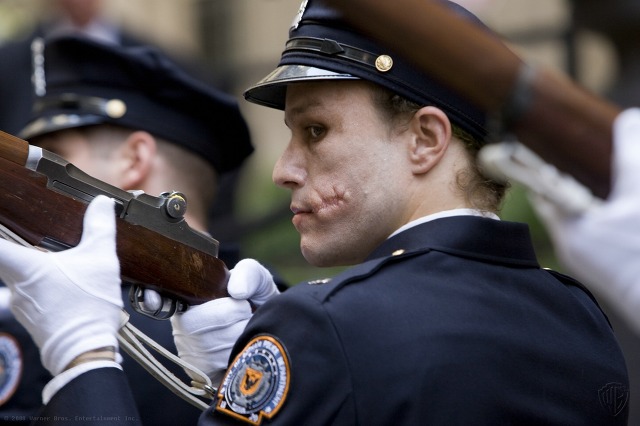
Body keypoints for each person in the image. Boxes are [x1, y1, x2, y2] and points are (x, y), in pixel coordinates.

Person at [0, 1, 631, 425]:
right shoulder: (580, 315)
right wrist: (229, 379)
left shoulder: (321, 329)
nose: (284, 170)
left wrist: (80, 356)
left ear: (426, 139)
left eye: (317, 131)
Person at [0, 34, 256, 425]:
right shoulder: (284, 320)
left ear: (136, 158)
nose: (32, 179)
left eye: (59, 155)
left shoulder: (39, 316)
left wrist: (79, 350)